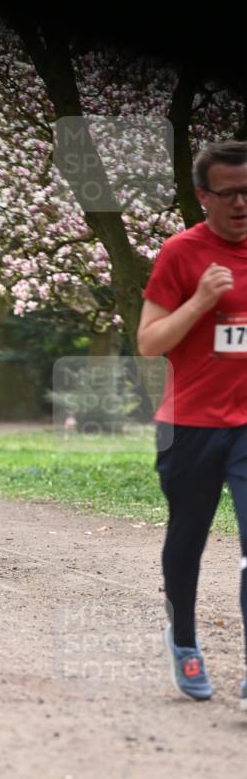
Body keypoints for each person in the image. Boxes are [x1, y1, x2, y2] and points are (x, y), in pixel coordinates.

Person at [137, 140, 247, 708]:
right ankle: (183, 640)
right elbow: (149, 342)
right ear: (204, 196)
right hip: (192, 425)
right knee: (188, 541)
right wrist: (201, 302)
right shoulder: (181, 253)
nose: (242, 203)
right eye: (229, 193)